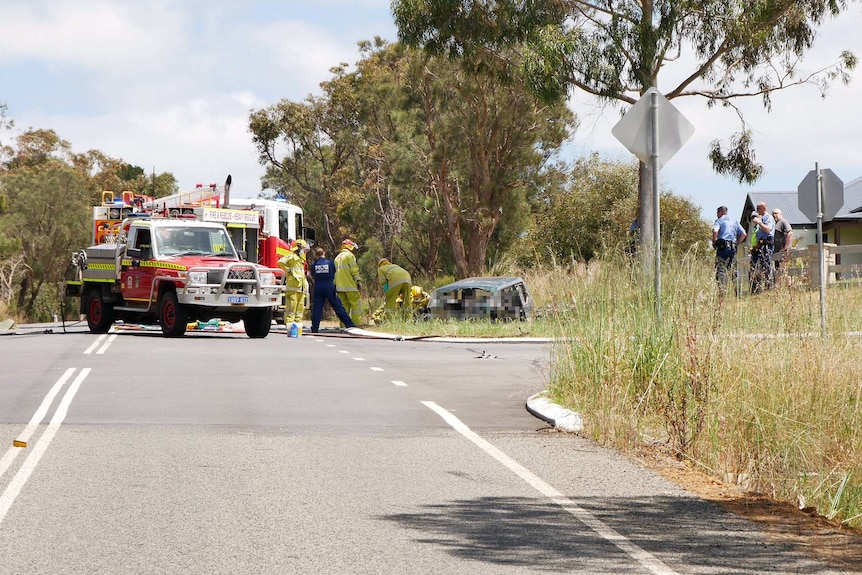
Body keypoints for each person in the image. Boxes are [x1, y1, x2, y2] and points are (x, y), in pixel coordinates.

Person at [309, 247, 356, 333]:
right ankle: (349, 324)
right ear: (324, 253)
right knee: (337, 306)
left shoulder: (314, 265)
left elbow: (312, 275)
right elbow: (334, 272)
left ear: (316, 255)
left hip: (318, 286)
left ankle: (315, 328)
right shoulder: (330, 263)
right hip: (329, 286)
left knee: (317, 308)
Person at [712, 206, 747, 293]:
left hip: (723, 247)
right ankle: (738, 291)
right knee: (734, 270)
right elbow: (744, 234)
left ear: (720, 212)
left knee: (721, 269)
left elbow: (715, 231)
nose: (717, 215)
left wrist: (714, 241)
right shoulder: (734, 221)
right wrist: (737, 243)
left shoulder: (719, 221)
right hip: (733, 247)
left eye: (717, 213)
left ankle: (722, 292)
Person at [277, 239, 308, 335]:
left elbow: (302, 274)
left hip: (301, 288)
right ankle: (290, 331)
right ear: (298, 248)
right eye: (303, 248)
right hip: (293, 287)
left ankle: (298, 332)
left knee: (299, 310)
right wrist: (288, 271)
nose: (304, 251)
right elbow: (280, 262)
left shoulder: (301, 259)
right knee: (291, 309)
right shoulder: (292, 257)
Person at [334, 238, 363, 326]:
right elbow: (354, 269)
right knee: (355, 306)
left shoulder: (337, 258)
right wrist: (358, 280)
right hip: (350, 286)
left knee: (344, 308)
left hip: (339, 287)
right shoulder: (349, 256)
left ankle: (343, 326)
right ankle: (356, 324)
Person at [749, 201, 775, 294]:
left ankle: (769, 286)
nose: (757, 211)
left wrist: (760, 223)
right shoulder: (760, 220)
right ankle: (755, 289)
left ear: (762, 208)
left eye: (758, 208)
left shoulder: (768, 218)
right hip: (759, 245)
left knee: (766, 265)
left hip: (766, 244)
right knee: (754, 266)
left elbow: (768, 230)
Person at [772, 208, 794, 275]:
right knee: (778, 270)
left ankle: (787, 285)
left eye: (776, 213)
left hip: (783, 250)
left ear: (780, 214)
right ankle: (780, 285)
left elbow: (790, 233)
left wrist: (786, 246)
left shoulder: (783, 221)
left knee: (784, 270)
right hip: (777, 251)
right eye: (773, 214)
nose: (774, 215)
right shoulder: (775, 224)